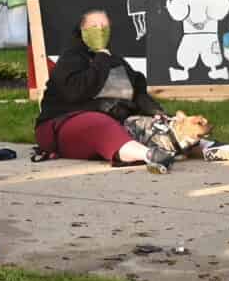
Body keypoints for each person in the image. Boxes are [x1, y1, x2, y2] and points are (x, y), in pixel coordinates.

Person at [34, 10, 175, 172]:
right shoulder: (70, 59)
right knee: (97, 123)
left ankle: (201, 146)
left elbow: (136, 92)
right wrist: (101, 59)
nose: (100, 30)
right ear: (81, 31)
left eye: (104, 26)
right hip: (61, 125)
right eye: (94, 26)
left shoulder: (116, 60)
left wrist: (155, 111)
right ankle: (149, 155)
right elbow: (77, 92)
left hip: (112, 124)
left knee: (159, 125)